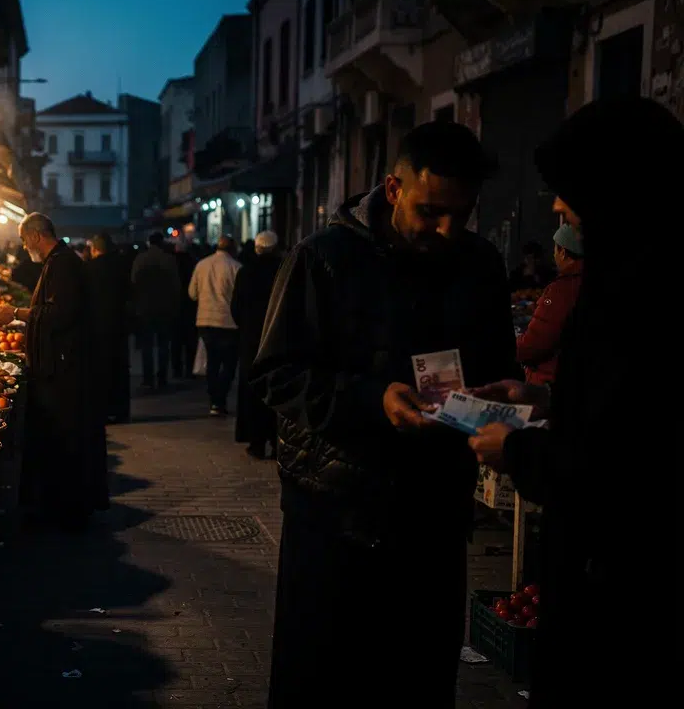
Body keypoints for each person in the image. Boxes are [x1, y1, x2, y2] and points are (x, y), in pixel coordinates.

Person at [251, 122, 519, 707]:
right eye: (431, 212)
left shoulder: (479, 264)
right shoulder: (322, 259)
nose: (445, 229)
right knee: (324, 679)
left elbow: (499, 366)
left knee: (418, 677)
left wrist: (501, 395)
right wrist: (372, 399)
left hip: (434, 511)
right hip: (335, 513)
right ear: (394, 189)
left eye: (461, 214)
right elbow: (276, 376)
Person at [467, 97, 677, 709]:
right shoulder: (628, 277)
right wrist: (546, 396)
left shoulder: (638, 294)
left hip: (623, 587)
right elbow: (621, 406)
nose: (560, 216)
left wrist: (514, 448)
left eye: (572, 203)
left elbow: (622, 458)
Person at [0, 214, 107, 530]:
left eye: (24, 239)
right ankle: (59, 505)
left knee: (63, 436)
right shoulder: (59, 261)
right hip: (61, 364)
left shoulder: (63, 264)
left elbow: (60, 313)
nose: (23, 245)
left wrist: (16, 313)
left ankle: (64, 508)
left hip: (64, 369)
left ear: (36, 235)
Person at [514, 224, 583, 386]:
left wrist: (506, 348)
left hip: (551, 383)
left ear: (563, 252)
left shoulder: (563, 288)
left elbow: (536, 343)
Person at [233, 231, 282, 457]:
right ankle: (276, 439)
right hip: (278, 338)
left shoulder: (246, 272)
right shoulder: (284, 269)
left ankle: (256, 440)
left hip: (251, 339)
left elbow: (236, 307)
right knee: (278, 388)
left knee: (252, 390)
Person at [188, 235, 241, 416]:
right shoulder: (236, 268)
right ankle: (221, 398)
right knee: (228, 364)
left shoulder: (201, 265)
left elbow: (192, 293)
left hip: (205, 320)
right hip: (228, 322)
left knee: (212, 362)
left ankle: (213, 400)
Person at [86, 234, 132, 423]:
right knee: (120, 367)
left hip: (97, 325)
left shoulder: (89, 269)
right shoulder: (122, 266)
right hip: (119, 323)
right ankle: (121, 409)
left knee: (101, 369)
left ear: (95, 249)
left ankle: (103, 409)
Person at [131, 233, 182, 391]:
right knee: (163, 344)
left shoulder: (140, 259)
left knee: (147, 345)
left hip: (145, 307)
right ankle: (162, 377)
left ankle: (148, 378)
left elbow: (133, 282)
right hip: (164, 307)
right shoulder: (169, 260)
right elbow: (176, 285)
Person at [170, 241, 199, 380]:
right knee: (190, 340)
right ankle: (190, 367)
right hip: (190, 305)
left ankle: (177, 369)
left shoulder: (172, 262)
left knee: (176, 341)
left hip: (175, 305)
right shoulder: (193, 262)